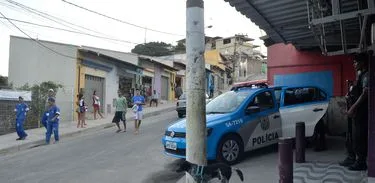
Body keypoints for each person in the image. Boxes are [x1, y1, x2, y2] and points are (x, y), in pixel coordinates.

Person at [342, 52, 369, 171]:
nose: (354, 64)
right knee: (353, 135)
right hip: (356, 112)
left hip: (362, 111)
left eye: (356, 62)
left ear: (362, 62)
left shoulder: (367, 75)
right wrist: (349, 95)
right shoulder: (360, 74)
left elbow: (365, 94)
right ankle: (353, 157)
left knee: (360, 136)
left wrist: (353, 108)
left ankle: (361, 162)